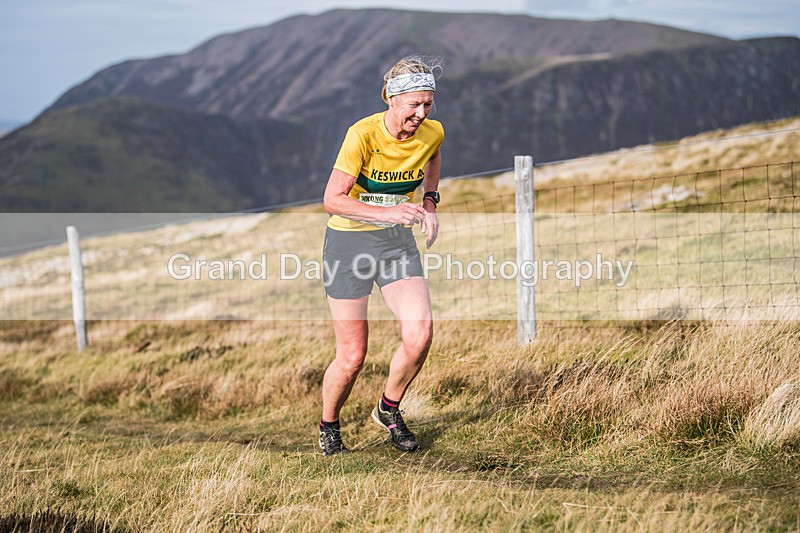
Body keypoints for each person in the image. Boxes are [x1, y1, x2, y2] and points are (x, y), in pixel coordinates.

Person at [318, 55, 444, 455]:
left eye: (428, 104)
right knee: (353, 355)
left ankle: (388, 409)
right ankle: (329, 426)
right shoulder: (362, 134)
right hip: (348, 245)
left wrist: (430, 201)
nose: (421, 113)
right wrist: (390, 211)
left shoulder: (433, 132)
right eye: (413, 105)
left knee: (420, 333)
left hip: (395, 245)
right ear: (391, 98)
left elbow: (433, 157)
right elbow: (331, 200)